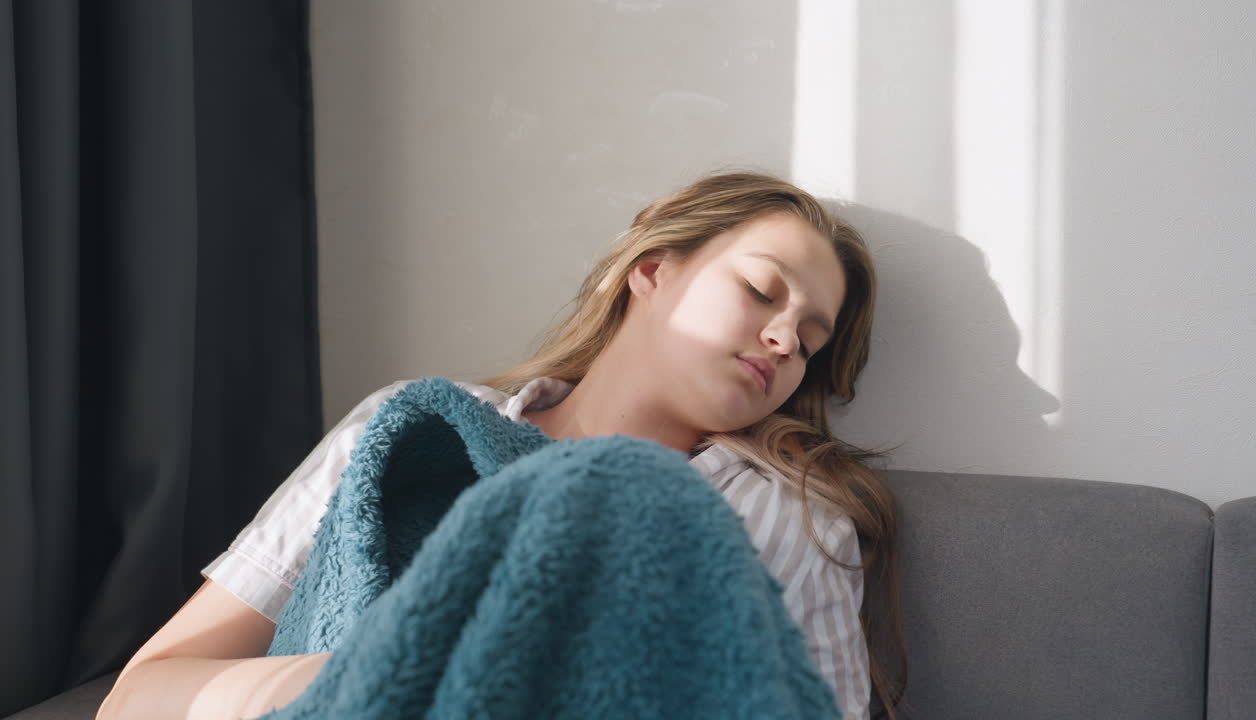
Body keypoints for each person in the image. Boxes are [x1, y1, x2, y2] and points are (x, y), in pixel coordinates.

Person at [97, 168, 908, 720]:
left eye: (809, 341)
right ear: (653, 271)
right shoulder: (414, 432)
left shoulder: (791, 514)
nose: (781, 341)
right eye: (762, 291)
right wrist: (372, 676)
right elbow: (140, 697)